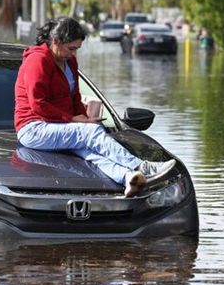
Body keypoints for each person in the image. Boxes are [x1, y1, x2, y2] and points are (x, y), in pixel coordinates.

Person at [14, 17, 176, 197]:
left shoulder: (70, 62)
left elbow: (74, 97)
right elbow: (38, 104)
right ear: (56, 41)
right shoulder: (37, 61)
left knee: (89, 150)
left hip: (58, 126)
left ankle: (128, 177)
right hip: (33, 128)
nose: (73, 54)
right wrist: (74, 120)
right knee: (89, 133)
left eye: (77, 49)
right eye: (71, 48)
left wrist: (84, 118)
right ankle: (141, 166)